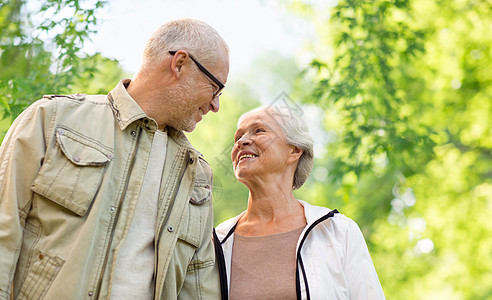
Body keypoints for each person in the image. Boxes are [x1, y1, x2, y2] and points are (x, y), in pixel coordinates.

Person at [0, 18, 229, 299]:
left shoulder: (196, 174)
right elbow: (4, 228)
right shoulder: (52, 120)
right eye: (215, 87)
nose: (216, 105)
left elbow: (199, 284)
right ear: (179, 63)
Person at [214, 106, 386, 299]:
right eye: (238, 137)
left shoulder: (337, 231)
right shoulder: (217, 242)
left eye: (259, 131)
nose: (241, 142)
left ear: (294, 151)